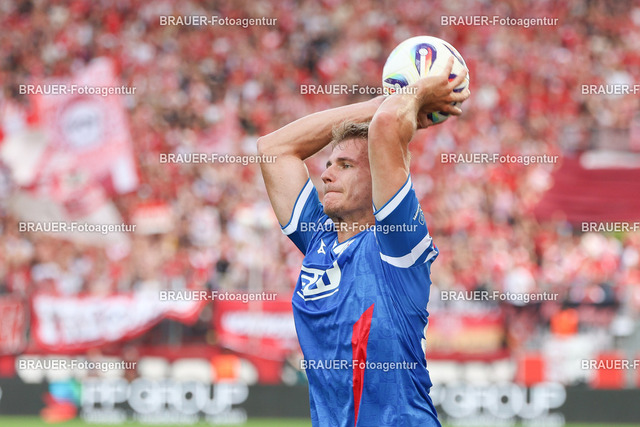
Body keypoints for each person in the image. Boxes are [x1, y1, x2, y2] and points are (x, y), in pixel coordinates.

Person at [258, 58, 469, 427]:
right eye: (328, 164)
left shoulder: (398, 243)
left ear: (380, 180)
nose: (326, 175)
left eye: (345, 165)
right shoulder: (318, 239)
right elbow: (272, 149)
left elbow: (387, 127)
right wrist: (373, 106)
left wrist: (414, 93)